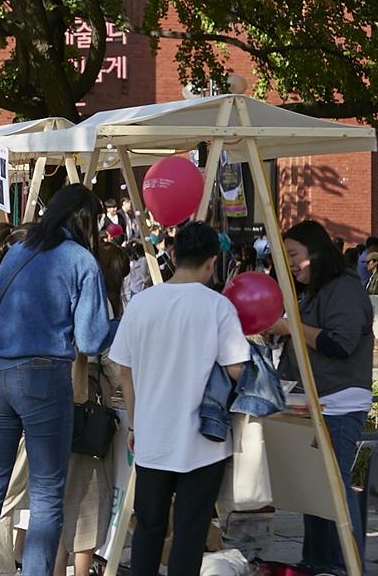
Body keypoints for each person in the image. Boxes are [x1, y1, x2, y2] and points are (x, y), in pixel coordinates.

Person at [0, 184, 110, 576]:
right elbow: (90, 339)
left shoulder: (18, 252)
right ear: (84, 220)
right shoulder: (82, 261)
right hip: (43, 377)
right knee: (45, 494)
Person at [109, 222, 248, 576]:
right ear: (212, 262)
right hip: (204, 442)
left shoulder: (141, 304)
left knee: (149, 528)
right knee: (190, 532)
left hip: (153, 436)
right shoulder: (218, 307)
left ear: (172, 255)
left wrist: (136, 424)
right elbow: (237, 370)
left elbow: (125, 372)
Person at [269, 220, 374, 574]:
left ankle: (346, 565)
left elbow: (339, 343)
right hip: (310, 402)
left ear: (315, 252)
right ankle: (315, 563)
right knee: (312, 491)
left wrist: (290, 326)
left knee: (332, 487)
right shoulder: (313, 290)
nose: (291, 263)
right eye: (286, 257)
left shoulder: (344, 288)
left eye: (294, 255)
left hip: (339, 403)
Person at [54, 242, 129, 576]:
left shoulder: (65, 295)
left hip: (54, 408)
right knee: (87, 500)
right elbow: (112, 366)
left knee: (56, 500)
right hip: (86, 411)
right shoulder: (105, 311)